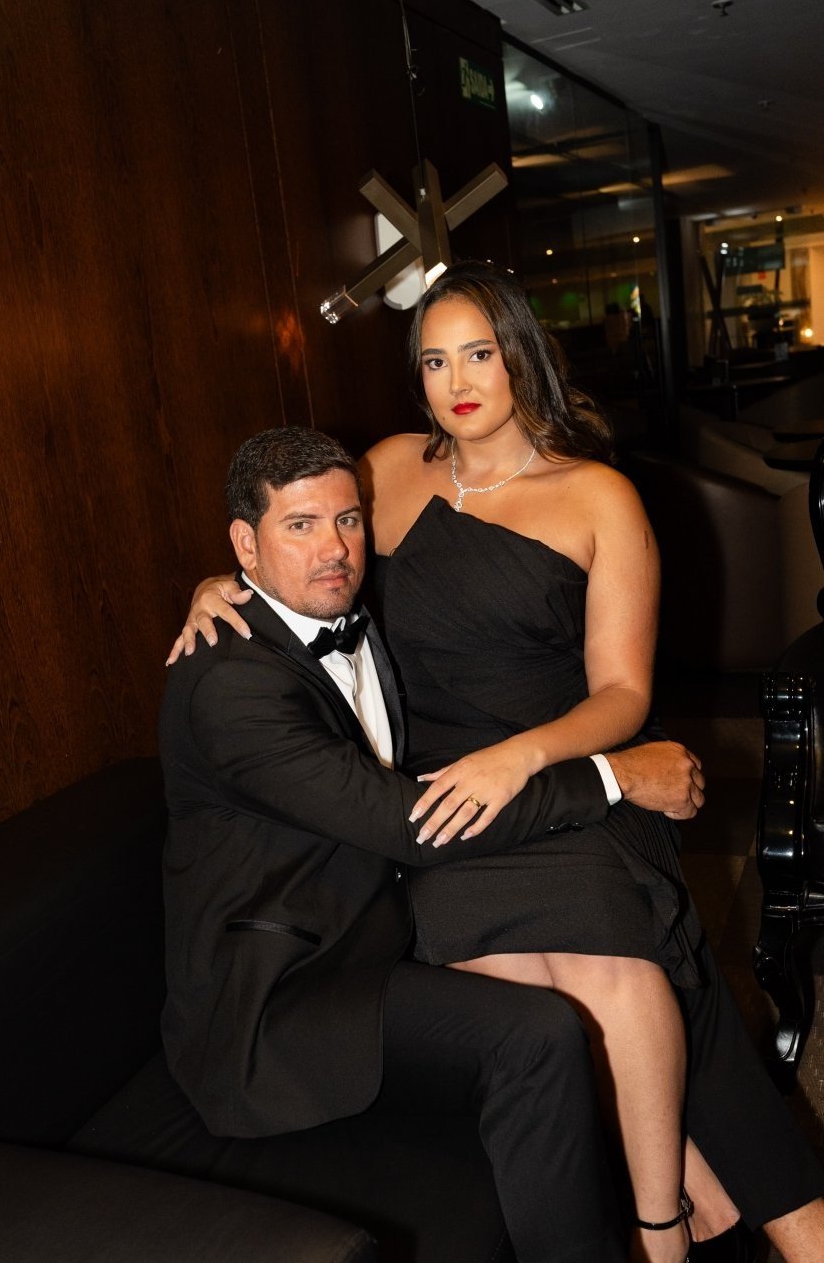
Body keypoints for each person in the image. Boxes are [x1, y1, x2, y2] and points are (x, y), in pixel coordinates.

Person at [169, 264, 824, 1262]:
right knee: (539, 984)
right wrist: (221, 583)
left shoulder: (596, 493)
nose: (458, 381)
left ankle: (666, 1227)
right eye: (434, 361)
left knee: (620, 955)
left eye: (478, 352)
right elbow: (310, 548)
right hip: (431, 801)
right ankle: (728, 1207)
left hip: (553, 768)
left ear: (520, 352)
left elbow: (622, 694)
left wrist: (524, 757)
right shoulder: (388, 467)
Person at [159, 425, 710, 1263]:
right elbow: (411, 823)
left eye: (347, 520)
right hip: (281, 999)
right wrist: (615, 776)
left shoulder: (343, 610)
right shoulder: (230, 685)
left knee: (600, 930)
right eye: (299, 526)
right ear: (245, 543)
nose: (334, 549)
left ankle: (685, 1202)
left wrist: (221, 583)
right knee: (535, 1035)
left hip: (369, 926)